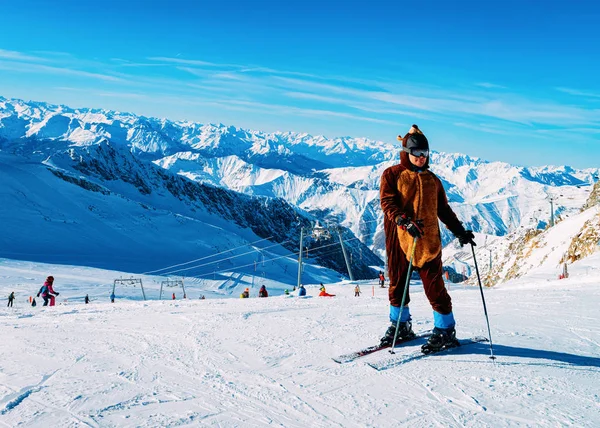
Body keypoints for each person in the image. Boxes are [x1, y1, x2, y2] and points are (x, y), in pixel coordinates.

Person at [379, 124, 475, 353]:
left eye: (425, 154)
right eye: (417, 154)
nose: (421, 158)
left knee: (435, 287)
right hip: (400, 238)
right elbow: (387, 202)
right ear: (407, 153)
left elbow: (444, 210)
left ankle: (445, 330)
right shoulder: (392, 174)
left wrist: (460, 231)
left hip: (428, 241)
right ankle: (400, 325)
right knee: (398, 285)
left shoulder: (433, 180)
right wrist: (403, 220)